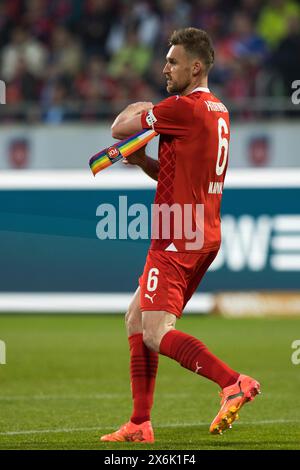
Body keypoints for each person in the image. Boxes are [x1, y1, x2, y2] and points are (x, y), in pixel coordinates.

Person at [100, 27, 261, 443]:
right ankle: (139, 423)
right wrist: (143, 164)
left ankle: (232, 382)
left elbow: (120, 127)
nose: (164, 67)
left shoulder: (180, 109)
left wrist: (141, 108)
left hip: (175, 235)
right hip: (202, 232)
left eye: (172, 61)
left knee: (155, 331)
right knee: (137, 318)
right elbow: (178, 175)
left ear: (196, 66)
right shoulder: (218, 111)